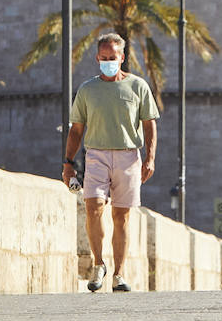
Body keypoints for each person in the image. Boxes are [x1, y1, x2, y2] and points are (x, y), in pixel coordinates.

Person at [62, 31, 159, 292]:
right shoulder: (87, 89)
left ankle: (119, 273)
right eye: (103, 57)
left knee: (121, 216)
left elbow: (149, 125)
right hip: (96, 155)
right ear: (97, 57)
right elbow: (76, 129)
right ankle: (98, 264)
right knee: (93, 206)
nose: (108, 61)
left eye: (112, 57)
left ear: (122, 57)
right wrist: (68, 163)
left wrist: (150, 158)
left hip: (128, 156)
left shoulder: (138, 86)